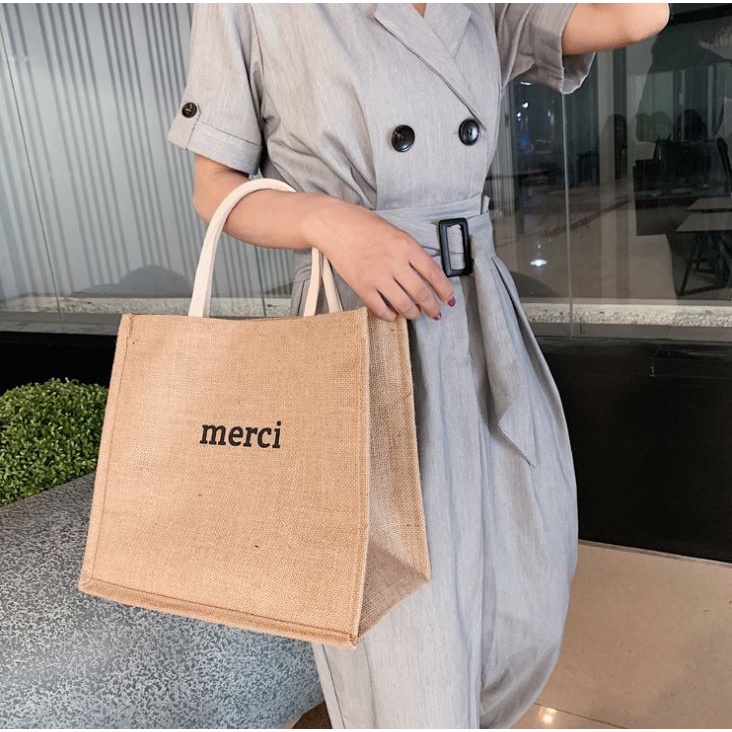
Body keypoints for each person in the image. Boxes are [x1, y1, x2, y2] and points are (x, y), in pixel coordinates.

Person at [167, 4, 669, 728]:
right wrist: (328, 222)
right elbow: (213, 184)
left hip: (478, 321)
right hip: (361, 324)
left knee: (523, 600)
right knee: (411, 638)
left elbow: (637, 16)